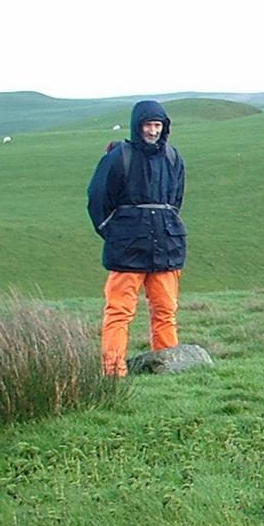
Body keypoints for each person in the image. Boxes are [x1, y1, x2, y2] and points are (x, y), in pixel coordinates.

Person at [87, 99, 187, 377]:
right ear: (137, 126)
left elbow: (175, 201)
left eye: (158, 125)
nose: (153, 131)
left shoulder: (173, 157)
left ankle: (169, 367)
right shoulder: (118, 157)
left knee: (166, 310)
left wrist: (163, 224)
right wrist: (115, 233)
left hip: (166, 248)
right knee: (119, 311)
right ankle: (113, 371)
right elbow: (97, 200)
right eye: (148, 125)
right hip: (127, 251)